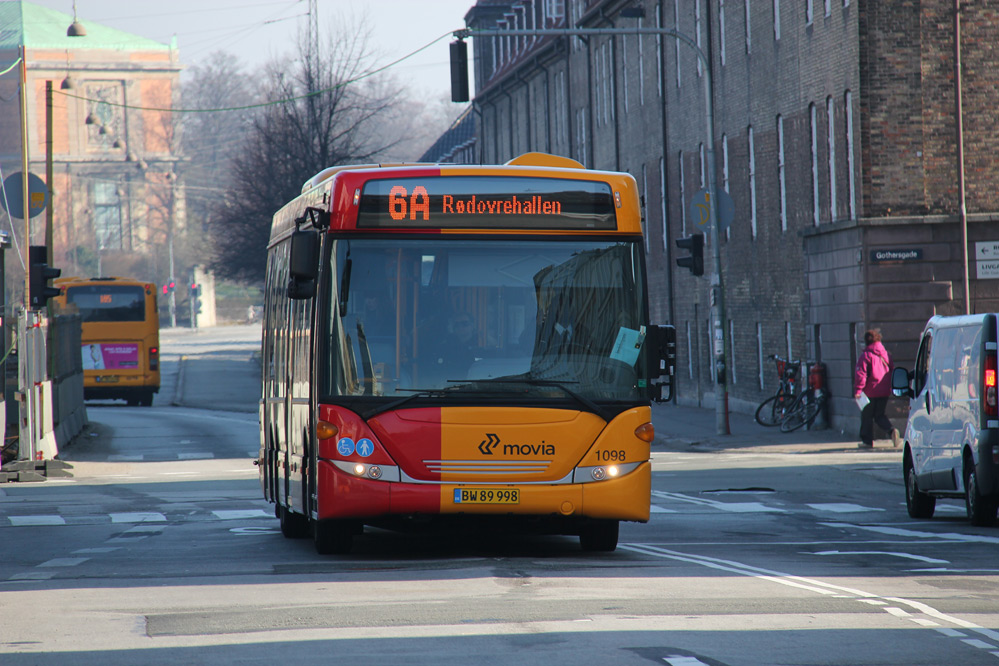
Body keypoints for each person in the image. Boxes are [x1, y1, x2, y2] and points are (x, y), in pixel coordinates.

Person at [853, 328, 901, 449]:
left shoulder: (866, 356)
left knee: (867, 416)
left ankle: (867, 441)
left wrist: (858, 390)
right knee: (879, 415)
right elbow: (891, 370)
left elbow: (861, 374)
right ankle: (891, 431)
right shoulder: (886, 355)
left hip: (870, 391)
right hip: (884, 390)